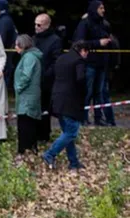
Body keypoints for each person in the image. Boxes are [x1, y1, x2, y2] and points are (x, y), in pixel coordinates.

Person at [43, 41, 88, 171]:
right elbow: (80, 79)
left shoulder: (61, 58)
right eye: (87, 52)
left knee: (67, 133)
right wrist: (84, 93)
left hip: (57, 99)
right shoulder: (79, 61)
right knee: (71, 132)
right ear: (83, 50)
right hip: (70, 102)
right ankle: (50, 154)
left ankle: (73, 162)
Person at [73, 1, 112, 126]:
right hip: (89, 63)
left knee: (99, 93)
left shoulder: (103, 24)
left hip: (101, 63)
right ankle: (83, 118)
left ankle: (98, 117)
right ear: (95, 9)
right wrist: (98, 43)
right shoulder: (85, 24)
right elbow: (79, 42)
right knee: (87, 91)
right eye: (101, 8)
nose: (103, 10)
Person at [33, 14, 63, 142]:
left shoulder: (55, 40)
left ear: (46, 25)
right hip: (33, 79)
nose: (36, 27)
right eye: (35, 24)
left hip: (46, 80)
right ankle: (35, 132)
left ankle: (44, 134)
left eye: (39, 25)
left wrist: (46, 74)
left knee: (45, 108)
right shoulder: (34, 39)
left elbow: (56, 61)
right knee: (34, 107)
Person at [14, 35, 42, 154]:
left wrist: (18, 87)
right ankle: (31, 147)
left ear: (22, 45)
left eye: (16, 44)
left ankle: (23, 149)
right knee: (29, 122)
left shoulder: (29, 57)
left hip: (27, 95)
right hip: (30, 95)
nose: (15, 47)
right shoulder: (29, 56)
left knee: (25, 123)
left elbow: (26, 76)